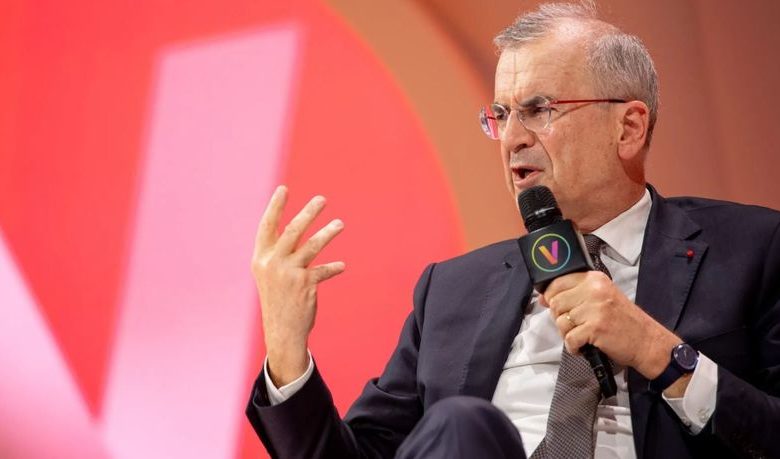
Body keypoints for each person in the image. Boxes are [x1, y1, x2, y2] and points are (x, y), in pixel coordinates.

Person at [246, 2, 780, 458]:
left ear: (629, 127)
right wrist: (286, 350)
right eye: (501, 115)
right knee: (461, 425)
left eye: (539, 109)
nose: (512, 138)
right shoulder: (451, 290)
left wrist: (655, 350)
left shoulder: (753, 249)